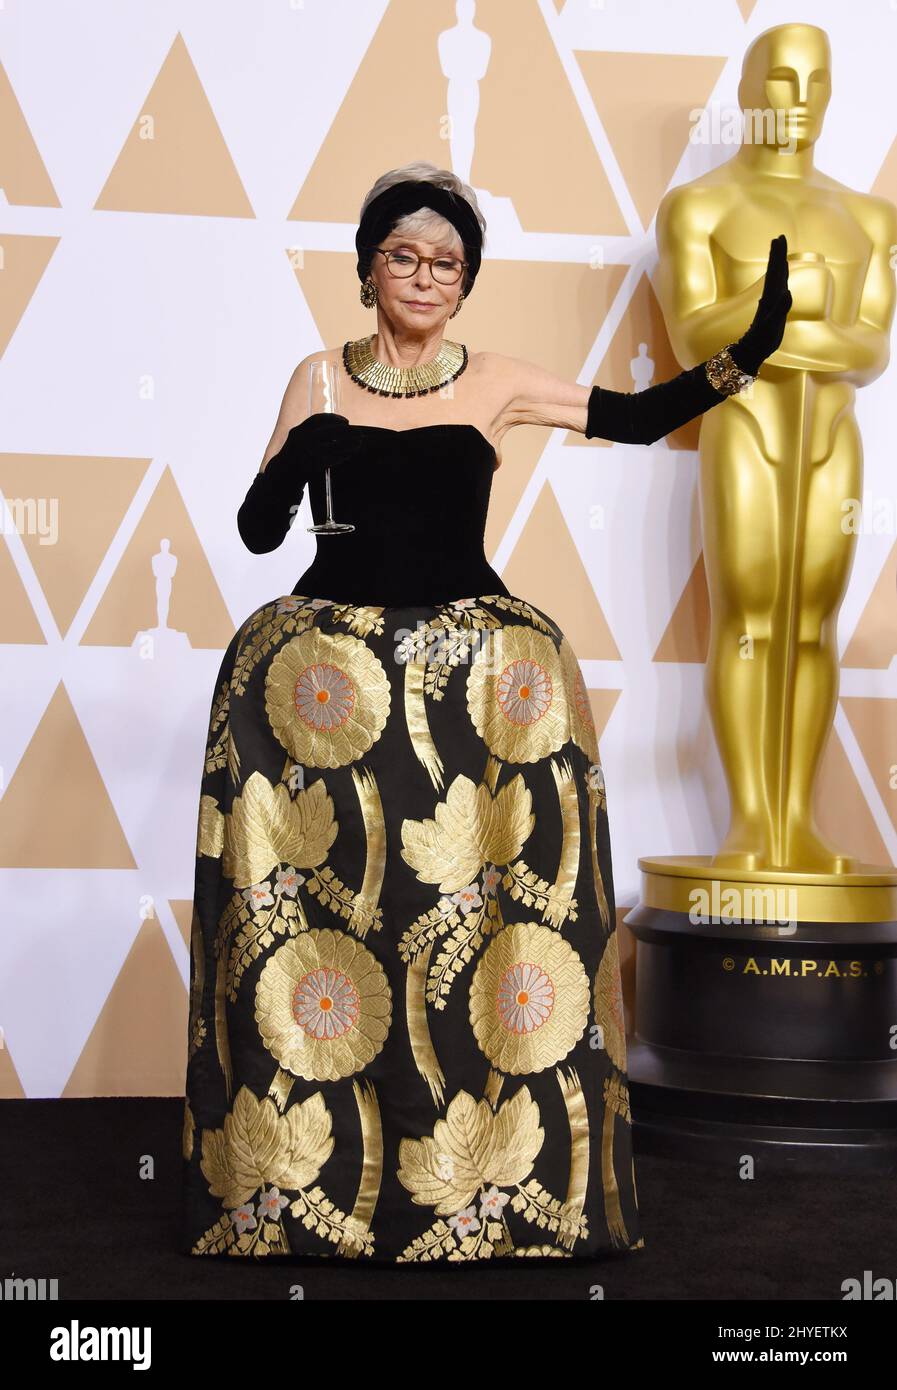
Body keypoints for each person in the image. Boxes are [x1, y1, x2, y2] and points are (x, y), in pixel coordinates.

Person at [182, 161, 791, 1264]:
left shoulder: (498, 379)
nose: (426, 276)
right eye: (405, 257)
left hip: (471, 675)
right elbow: (259, 534)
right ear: (367, 268)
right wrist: (302, 455)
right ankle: (289, 1179)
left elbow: (638, 418)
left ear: (465, 282)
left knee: (484, 911)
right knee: (325, 913)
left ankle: (507, 1176)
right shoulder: (315, 376)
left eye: (448, 263)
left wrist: (744, 355)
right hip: (330, 675)